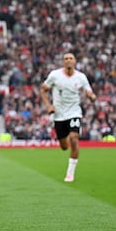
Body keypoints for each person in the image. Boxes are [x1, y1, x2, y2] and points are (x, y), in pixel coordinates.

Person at [40, 51, 97, 182]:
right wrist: (48, 105)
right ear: (63, 62)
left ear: (75, 61)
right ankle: (72, 149)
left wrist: (92, 97)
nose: (68, 60)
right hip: (59, 115)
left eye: (71, 58)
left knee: (74, 138)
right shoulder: (55, 75)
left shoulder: (81, 77)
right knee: (64, 146)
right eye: (66, 58)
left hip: (74, 112)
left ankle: (70, 173)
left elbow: (89, 92)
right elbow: (43, 90)